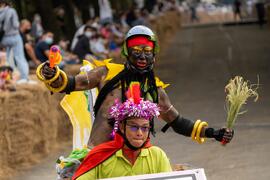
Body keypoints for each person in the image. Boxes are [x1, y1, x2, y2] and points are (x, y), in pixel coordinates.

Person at [37, 25, 234, 148]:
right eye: (136, 50)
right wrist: (53, 74)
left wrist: (213, 133)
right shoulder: (106, 73)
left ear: (154, 55)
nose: (142, 56)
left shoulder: (156, 91)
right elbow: (70, 83)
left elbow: (178, 122)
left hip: (136, 164)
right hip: (98, 160)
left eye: (147, 51)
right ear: (126, 52)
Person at [73, 83, 172, 179]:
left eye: (145, 128)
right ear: (121, 127)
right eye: (134, 127)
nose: (139, 133)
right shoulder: (99, 156)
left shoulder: (158, 156)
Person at [0, 0, 30, 83]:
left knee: (7, 58)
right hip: (14, 36)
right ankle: (24, 77)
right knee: (19, 57)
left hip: (3, 39)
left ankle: (7, 76)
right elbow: (16, 25)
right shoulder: (11, 11)